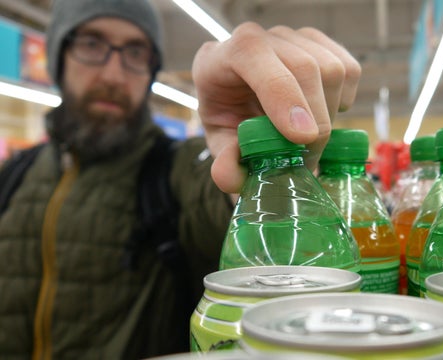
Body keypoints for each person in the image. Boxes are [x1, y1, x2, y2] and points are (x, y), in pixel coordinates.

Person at [0, 0, 361, 359]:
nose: (113, 74)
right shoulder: (13, 176)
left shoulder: (173, 170)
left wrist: (261, 159)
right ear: (58, 57)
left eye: (135, 52)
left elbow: (222, 205)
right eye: (92, 44)